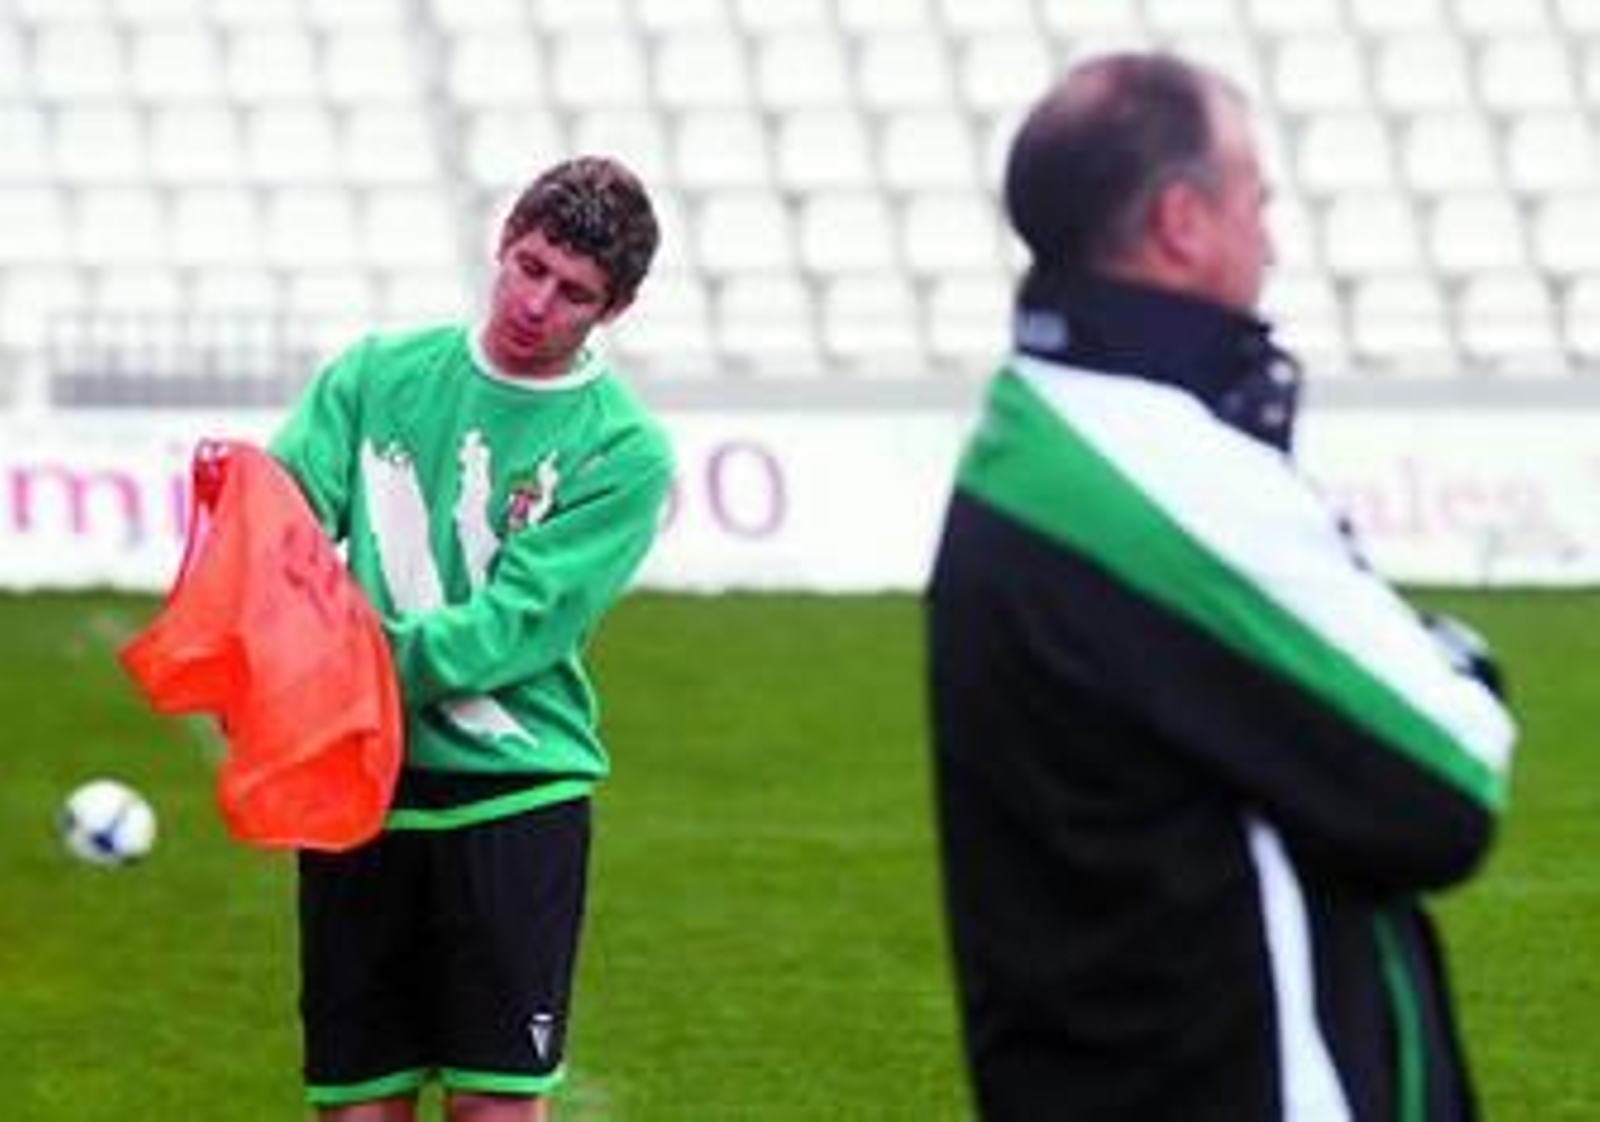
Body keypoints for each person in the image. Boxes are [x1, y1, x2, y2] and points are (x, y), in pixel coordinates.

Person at [926, 52, 1518, 1121]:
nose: (1271, 238)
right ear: (1183, 223)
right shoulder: (1158, 475)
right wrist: (1456, 659)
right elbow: (1450, 784)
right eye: (1256, 199)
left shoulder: (1032, 429)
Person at [270, 155, 673, 1122]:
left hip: (515, 796)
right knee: (356, 1104)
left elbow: (516, 625)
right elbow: (279, 521)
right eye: (529, 266)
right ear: (504, 244)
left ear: (609, 313)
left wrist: (344, 665)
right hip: (358, 783)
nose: (537, 302)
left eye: (573, 292)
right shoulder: (376, 376)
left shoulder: (623, 450)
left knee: (494, 1108)